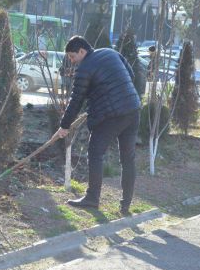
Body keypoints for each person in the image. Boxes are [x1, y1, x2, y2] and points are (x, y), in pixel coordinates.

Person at [56, 36, 141, 215]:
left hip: (110, 116)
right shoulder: (111, 53)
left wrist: (64, 126)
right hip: (132, 109)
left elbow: (76, 101)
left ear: (82, 51)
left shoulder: (84, 68)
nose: (71, 61)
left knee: (95, 153)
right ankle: (125, 205)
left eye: (72, 56)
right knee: (128, 158)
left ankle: (92, 198)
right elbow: (130, 75)